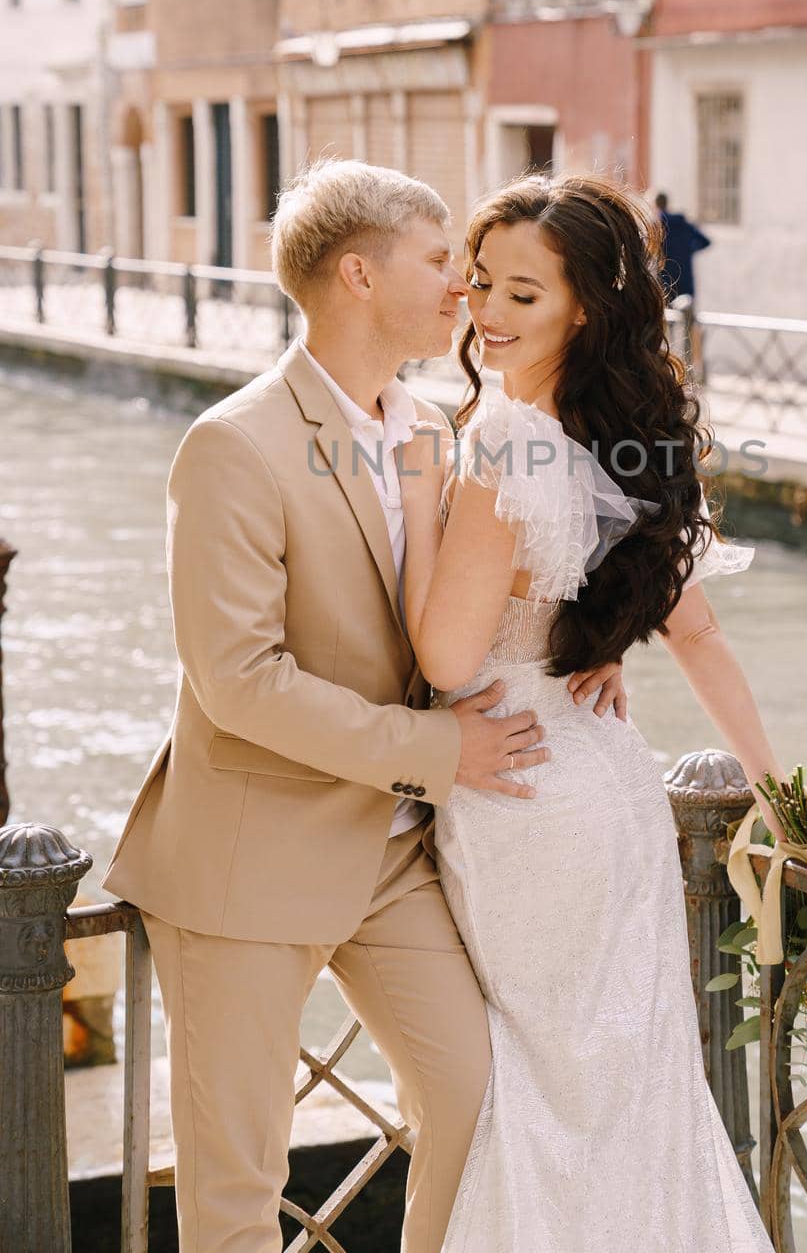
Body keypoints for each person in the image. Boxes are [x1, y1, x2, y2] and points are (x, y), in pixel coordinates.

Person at [100, 160, 626, 1253]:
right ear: (357, 273)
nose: (460, 291)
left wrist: (598, 647)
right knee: (238, 1187)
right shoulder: (234, 446)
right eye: (440, 262)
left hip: (393, 855)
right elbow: (236, 678)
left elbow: (481, 605)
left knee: (478, 1108)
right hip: (251, 857)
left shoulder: (437, 425)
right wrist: (438, 748)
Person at [397, 175, 807, 1253]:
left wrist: (422, 494)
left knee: (545, 1096)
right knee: (625, 1091)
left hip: (523, 793)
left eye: (523, 297)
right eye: (481, 283)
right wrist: (782, 801)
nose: (488, 313)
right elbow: (695, 635)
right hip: (607, 780)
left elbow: (446, 655)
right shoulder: (608, 433)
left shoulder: (496, 443)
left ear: (584, 306)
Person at [655, 189, 711, 302]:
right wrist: (689, 250)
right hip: (685, 278)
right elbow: (705, 241)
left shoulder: (656, 226)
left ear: (656, 204)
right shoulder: (684, 223)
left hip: (666, 279)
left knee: (668, 315)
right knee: (687, 313)